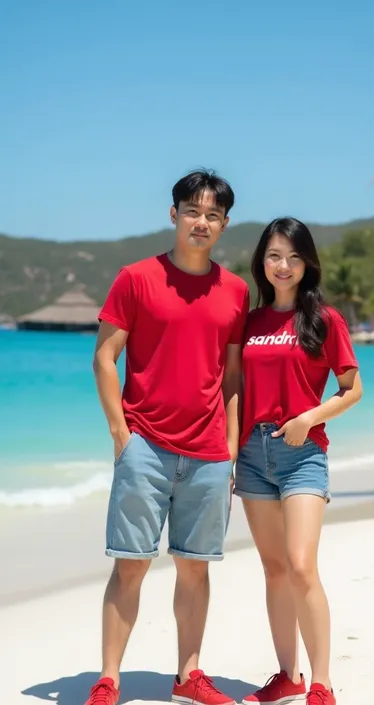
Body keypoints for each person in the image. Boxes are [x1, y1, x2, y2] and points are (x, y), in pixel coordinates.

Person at [85, 169, 249, 705]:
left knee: (194, 568)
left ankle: (189, 675)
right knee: (130, 564)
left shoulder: (235, 291)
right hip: (145, 445)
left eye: (213, 215)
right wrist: (121, 434)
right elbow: (105, 358)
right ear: (174, 213)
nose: (201, 222)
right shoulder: (135, 278)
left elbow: (231, 379)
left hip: (206, 455)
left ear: (224, 224)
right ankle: (109, 678)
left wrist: (228, 451)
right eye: (193, 211)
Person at [235, 217, 362, 705]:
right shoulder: (250, 323)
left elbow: (352, 390)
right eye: (273, 255)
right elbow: (233, 389)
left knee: (302, 566)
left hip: (302, 454)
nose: (282, 265)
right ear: (261, 262)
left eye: (292, 256)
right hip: (251, 455)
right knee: (273, 570)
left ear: (306, 262)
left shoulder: (325, 320)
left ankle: (322, 681)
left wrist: (308, 419)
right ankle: (287, 675)